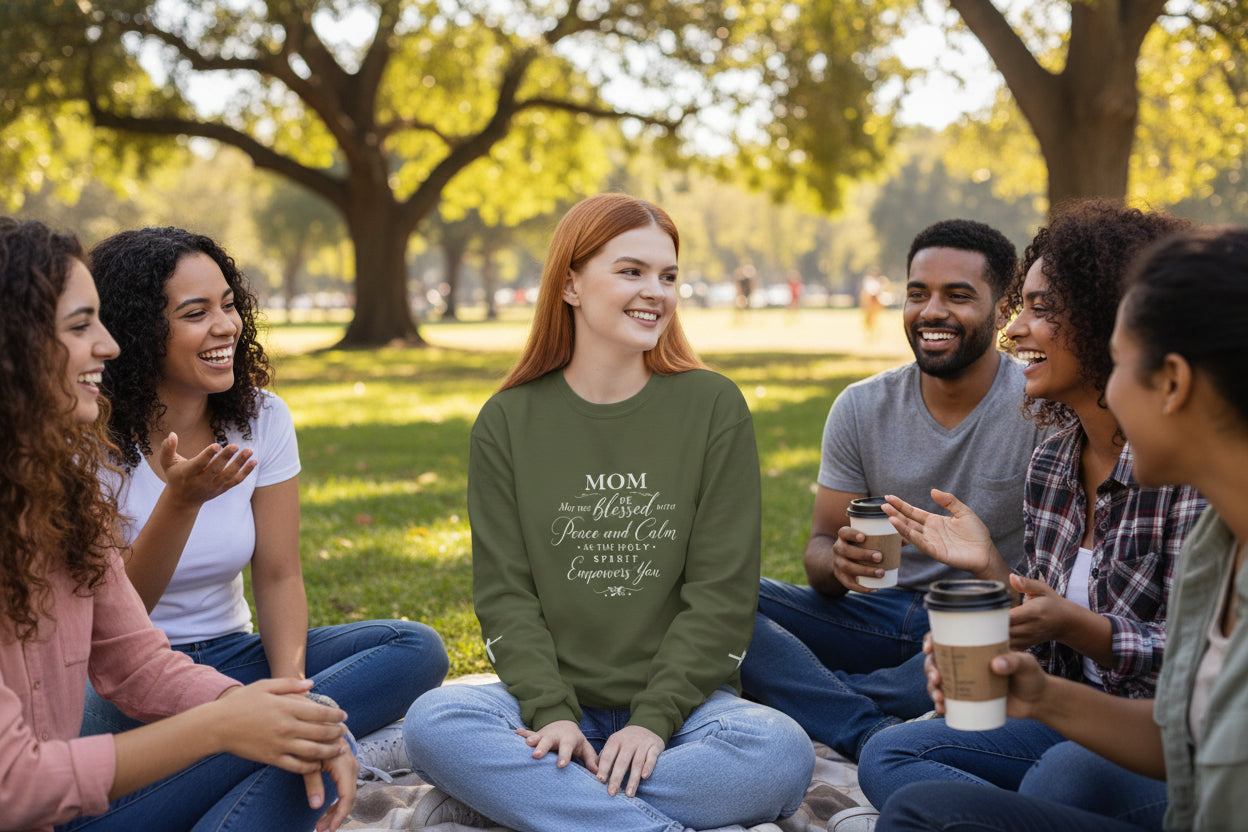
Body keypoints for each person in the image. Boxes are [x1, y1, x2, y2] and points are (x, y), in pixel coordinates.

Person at [403, 193, 814, 832]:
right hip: (551, 716)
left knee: (779, 751)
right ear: (570, 283)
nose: (656, 291)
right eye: (632, 271)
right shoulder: (508, 421)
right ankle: (621, 817)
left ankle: (522, 805)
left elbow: (722, 596)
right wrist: (550, 713)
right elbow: (506, 596)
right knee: (434, 723)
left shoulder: (712, 407)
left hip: (685, 717)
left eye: (668, 276)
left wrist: (653, 721)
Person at [877, 224, 1248, 832]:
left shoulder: (1206, 501)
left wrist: (1083, 634)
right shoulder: (1059, 464)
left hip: (1125, 755)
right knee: (905, 769)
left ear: (1173, 383)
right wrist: (1032, 675)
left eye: (1123, 362)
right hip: (1109, 732)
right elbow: (1188, 727)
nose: (1013, 330)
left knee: (1062, 775)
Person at [0, 217, 356, 831]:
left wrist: (278, 715)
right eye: (81, 326)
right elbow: (17, 785)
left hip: (88, 785)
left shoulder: (61, 496)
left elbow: (135, 661)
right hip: (65, 774)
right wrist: (224, 725)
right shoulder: (93, 458)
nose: (107, 346)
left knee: (401, 655)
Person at [79, 227, 448, 778]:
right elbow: (114, 627)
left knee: (415, 647)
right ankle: (305, 745)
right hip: (125, 683)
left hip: (235, 658)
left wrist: (291, 690)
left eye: (229, 305)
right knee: (255, 743)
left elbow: (278, 576)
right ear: (137, 329)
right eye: (195, 312)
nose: (226, 325)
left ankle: (281, 735)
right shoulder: (90, 437)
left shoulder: (260, 417)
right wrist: (178, 505)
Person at [740, 219, 1049, 768]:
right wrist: (838, 562)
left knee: (986, 656)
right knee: (720, 596)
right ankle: (870, 726)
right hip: (873, 614)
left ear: (1004, 310)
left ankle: (820, 697)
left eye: (958, 295)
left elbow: (1048, 599)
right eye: (917, 293)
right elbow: (817, 550)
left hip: (983, 620)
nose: (932, 312)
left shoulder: (1041, 408)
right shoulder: (860, 406)